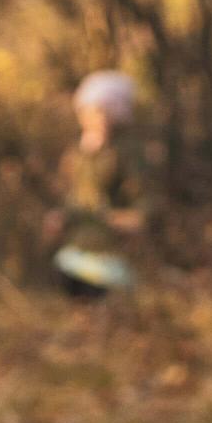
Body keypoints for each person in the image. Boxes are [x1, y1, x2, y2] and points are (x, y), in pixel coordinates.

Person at [42, 70, 151, 299]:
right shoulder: (76, 154)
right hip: (77, 247)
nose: (94, 118)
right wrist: (60, 218)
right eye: (89, 111)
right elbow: (71, 197)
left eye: (101, 111)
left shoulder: (126, 153)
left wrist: (131, 218)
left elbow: (142, 201)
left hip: (111, 249)